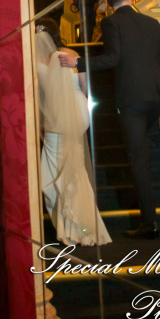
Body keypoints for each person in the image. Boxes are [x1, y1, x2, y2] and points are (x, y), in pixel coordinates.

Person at [58, 0, 160, 240]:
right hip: (155, 99)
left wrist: (79, 62)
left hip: (131, 101)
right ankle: (149, 218)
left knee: (138, 160)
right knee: (141, 155)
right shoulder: (152, 23)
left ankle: (150, 223)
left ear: (109, 4)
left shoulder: (111, 23)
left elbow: (113, 58)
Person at [35, 18, 111, 246]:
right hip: (76, 115)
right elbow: (85, 88)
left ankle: (68, 229)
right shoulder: (70, 54)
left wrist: (41, 121)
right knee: (75, 169)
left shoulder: (34, 60)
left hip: (55, 120)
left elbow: (38, 97)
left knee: (55, 173)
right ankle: (84, 226)